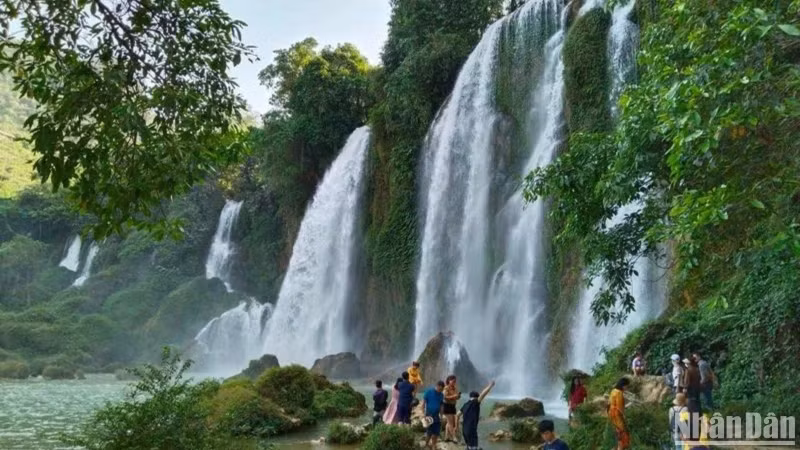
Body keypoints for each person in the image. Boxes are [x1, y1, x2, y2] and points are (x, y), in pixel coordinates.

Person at [458, 380, 495, 450]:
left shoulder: (465, 404)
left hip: (464, 430)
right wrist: (490, 386)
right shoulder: (475, 403)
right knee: (474, 447)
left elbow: (457, 415)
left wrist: (456, 426)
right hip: (472, 430)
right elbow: (483, 394)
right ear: (476, 397)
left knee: (469, 446)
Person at [422, 380, 445, 450]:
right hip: (429, 415)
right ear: (437, 386)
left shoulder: (441, 395)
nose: (440, 390)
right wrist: (423, 414)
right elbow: (423, 403)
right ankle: (426, 444)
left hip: (436, 415)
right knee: (429, 432)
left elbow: (441, 406)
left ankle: (434, 445)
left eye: (442, 389)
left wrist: (441, 416)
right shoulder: (429, 392)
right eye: (440, 389)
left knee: (436, 431)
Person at [609, 377, 630, 450]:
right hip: (617, 414)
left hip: (611, 413)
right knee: (622, 432)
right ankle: (620, 448)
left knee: (617, 431)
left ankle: (617, 447)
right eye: (627, 386)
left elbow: (611, 403)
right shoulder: (619, 393)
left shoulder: (613, 391)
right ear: (623, 385)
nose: (627, 388)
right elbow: (620, 407)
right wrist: (624, 415)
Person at [442, 375, 460, 443]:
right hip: (447, 406)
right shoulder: (446, 388)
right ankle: (454, 437)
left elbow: (456, 397)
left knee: (450, 422)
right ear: (449, 381)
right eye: (453, 381)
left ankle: (446, 437)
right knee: (450, 423)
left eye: (455, 381)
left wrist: (458, 397)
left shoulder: (455, 388)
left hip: (453, 406)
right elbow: (445, 397)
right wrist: (454, 396)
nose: (454, 382)